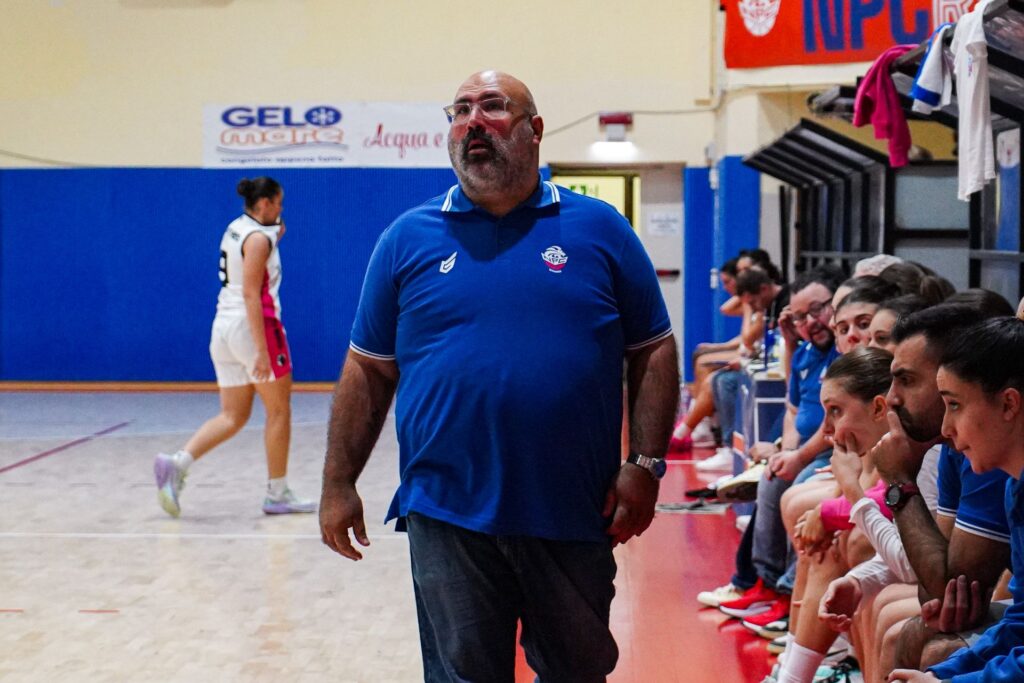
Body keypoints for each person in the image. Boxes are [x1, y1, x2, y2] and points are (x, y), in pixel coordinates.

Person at [318, 70, 678, 681]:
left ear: (534, 131)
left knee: (576, 672)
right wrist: (337, 483)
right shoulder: (407, 238)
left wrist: (644, 465)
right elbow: (368, 369)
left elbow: (653, 350)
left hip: (574, 507)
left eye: (492, 108)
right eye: (460, 111)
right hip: (447, 509)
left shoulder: (600, 229)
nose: (473, 122)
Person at [154, 177, 315, 517]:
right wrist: (260, 350)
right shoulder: (258, 240)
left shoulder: (238, 227)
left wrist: (274, 220)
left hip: (222, 328)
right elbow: (251, 295)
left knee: (234, 415)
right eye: (278, 203)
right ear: (265, 205)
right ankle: (277, 492)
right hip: (253, 327)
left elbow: (278, 228)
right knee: (279, 410)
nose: (282, 210)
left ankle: (177, 464)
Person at [870, 303, 1013, 672]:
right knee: (911, 629)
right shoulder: (958, 449)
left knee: (931, 645)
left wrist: (899, 483)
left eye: (907, 380)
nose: (892, 397)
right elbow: (941, 593)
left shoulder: (994, 454)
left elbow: (948, 586)